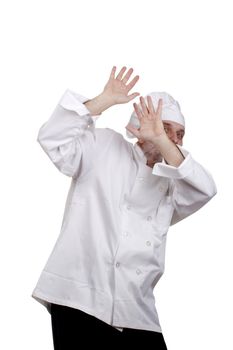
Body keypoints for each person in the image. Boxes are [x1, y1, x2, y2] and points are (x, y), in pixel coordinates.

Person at [31, 66, 217, 349]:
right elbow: (53, 138)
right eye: (163, 128)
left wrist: (162, 140)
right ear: (137, 129)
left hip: (136, 309)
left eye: (178, 134)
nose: (171, 139)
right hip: (78, 296)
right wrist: (103, 100)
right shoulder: (103, 146)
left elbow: (206, 189)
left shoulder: (174, 184)